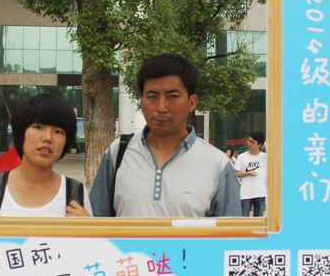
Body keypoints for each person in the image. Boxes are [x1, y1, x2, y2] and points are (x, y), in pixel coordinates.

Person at [90, 53, 242, 217]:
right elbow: (95, 223)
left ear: (192, 102)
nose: (161, 107)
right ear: (142, 100)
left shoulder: (217, 164)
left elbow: (232, 232)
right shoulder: (118, 152)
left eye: (172, 96)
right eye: (152, 96)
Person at [0, 94, 91, 217]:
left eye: (58, 131)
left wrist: (87, 226)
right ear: (21, 132)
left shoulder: (76, 194)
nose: (48, 138)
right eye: (38, 127)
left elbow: (91, 233)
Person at [235, 131, 267, 217]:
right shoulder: (242, 157)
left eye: (253, 142)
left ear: (260, 145)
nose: (249, 143)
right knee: (244, 220)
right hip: (245, 194)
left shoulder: (265, 157)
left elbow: (276, 156)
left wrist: (265, 145)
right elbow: (235, 174)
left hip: (260, 193)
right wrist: (247, 173)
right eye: (249, 140)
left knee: (259, 221)